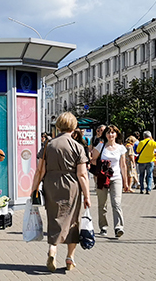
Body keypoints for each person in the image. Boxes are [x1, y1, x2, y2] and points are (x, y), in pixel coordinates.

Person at [31, 112, 90, 272]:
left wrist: (34, 189)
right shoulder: (77, 146)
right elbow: (82, 174)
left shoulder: (48, 145)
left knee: (54, 217)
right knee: (72, 221)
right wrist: (87, 195)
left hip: (50, 184)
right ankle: (70, 258)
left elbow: (39, 170)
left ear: (58, 126)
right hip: (71, 185)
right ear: (74, 127)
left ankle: (52, 249)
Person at [91, 125, 128, 238]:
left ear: (116, 134)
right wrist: (102, 165)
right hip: (102, 178)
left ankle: (119, 227)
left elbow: (123, 165)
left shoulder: (121, 148)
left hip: (116, 178)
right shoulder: (101, 146)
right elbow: (92, 160)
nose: (110, 135)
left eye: (113, 133)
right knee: (102, 204)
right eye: (108, 133)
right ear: (105, 135)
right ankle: (103, 227)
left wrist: (125, 182)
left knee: (116, 203)